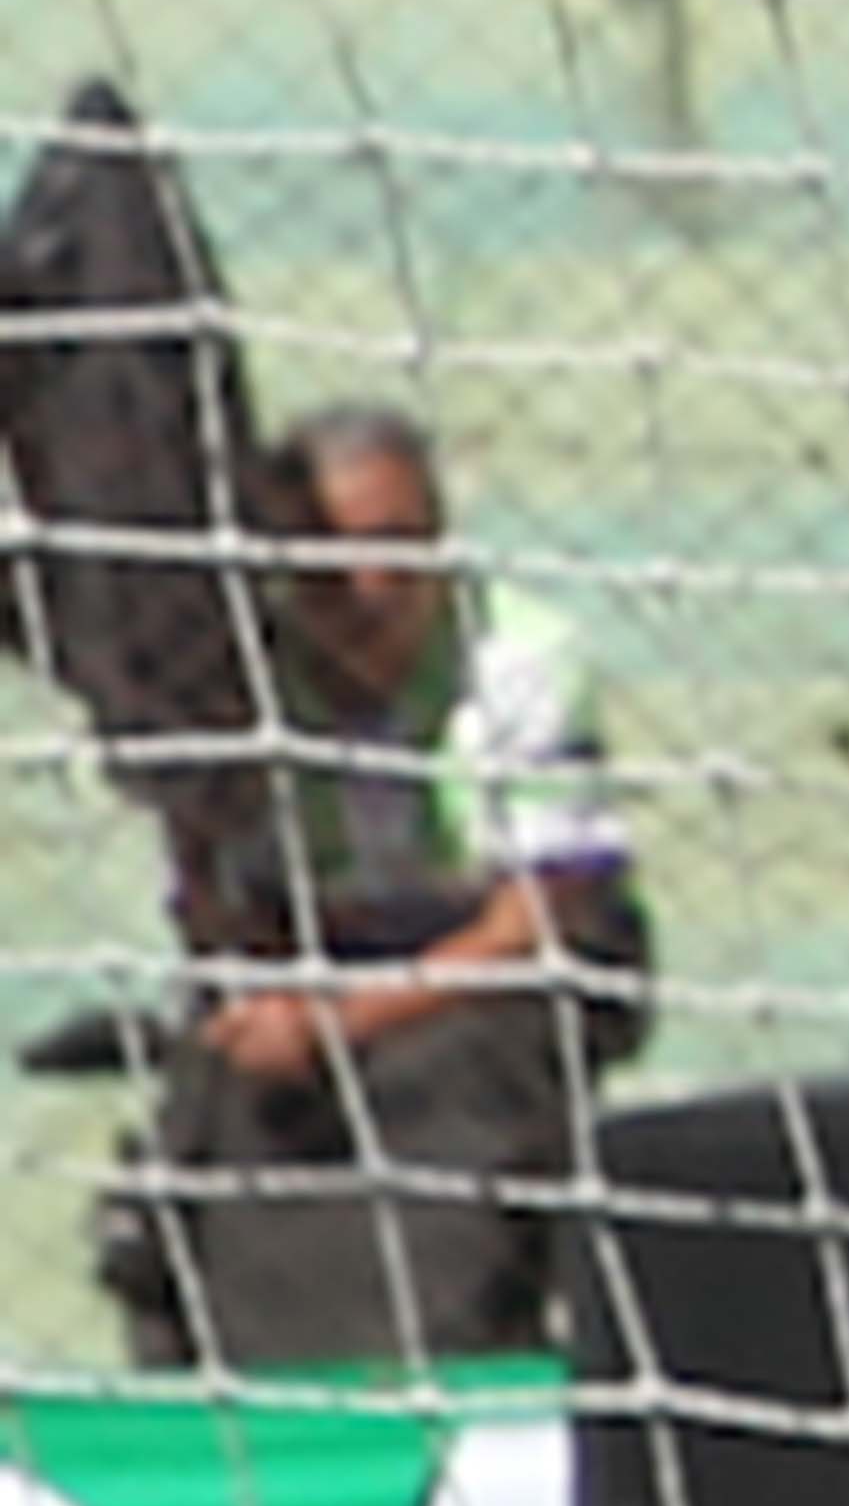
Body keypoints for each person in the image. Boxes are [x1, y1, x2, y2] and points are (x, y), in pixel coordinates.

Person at [105, 401, 656, 1370]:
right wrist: (268, 991)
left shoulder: (519, 658)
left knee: (462, 1099)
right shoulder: (239, 672)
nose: (369, 586)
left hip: (493, 957)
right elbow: (209, 881)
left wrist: (338, 1020)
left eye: (398, 547)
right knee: (220, 1111)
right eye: (329, 555)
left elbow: (542, 914)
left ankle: (446, 1344)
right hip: (310, 947)